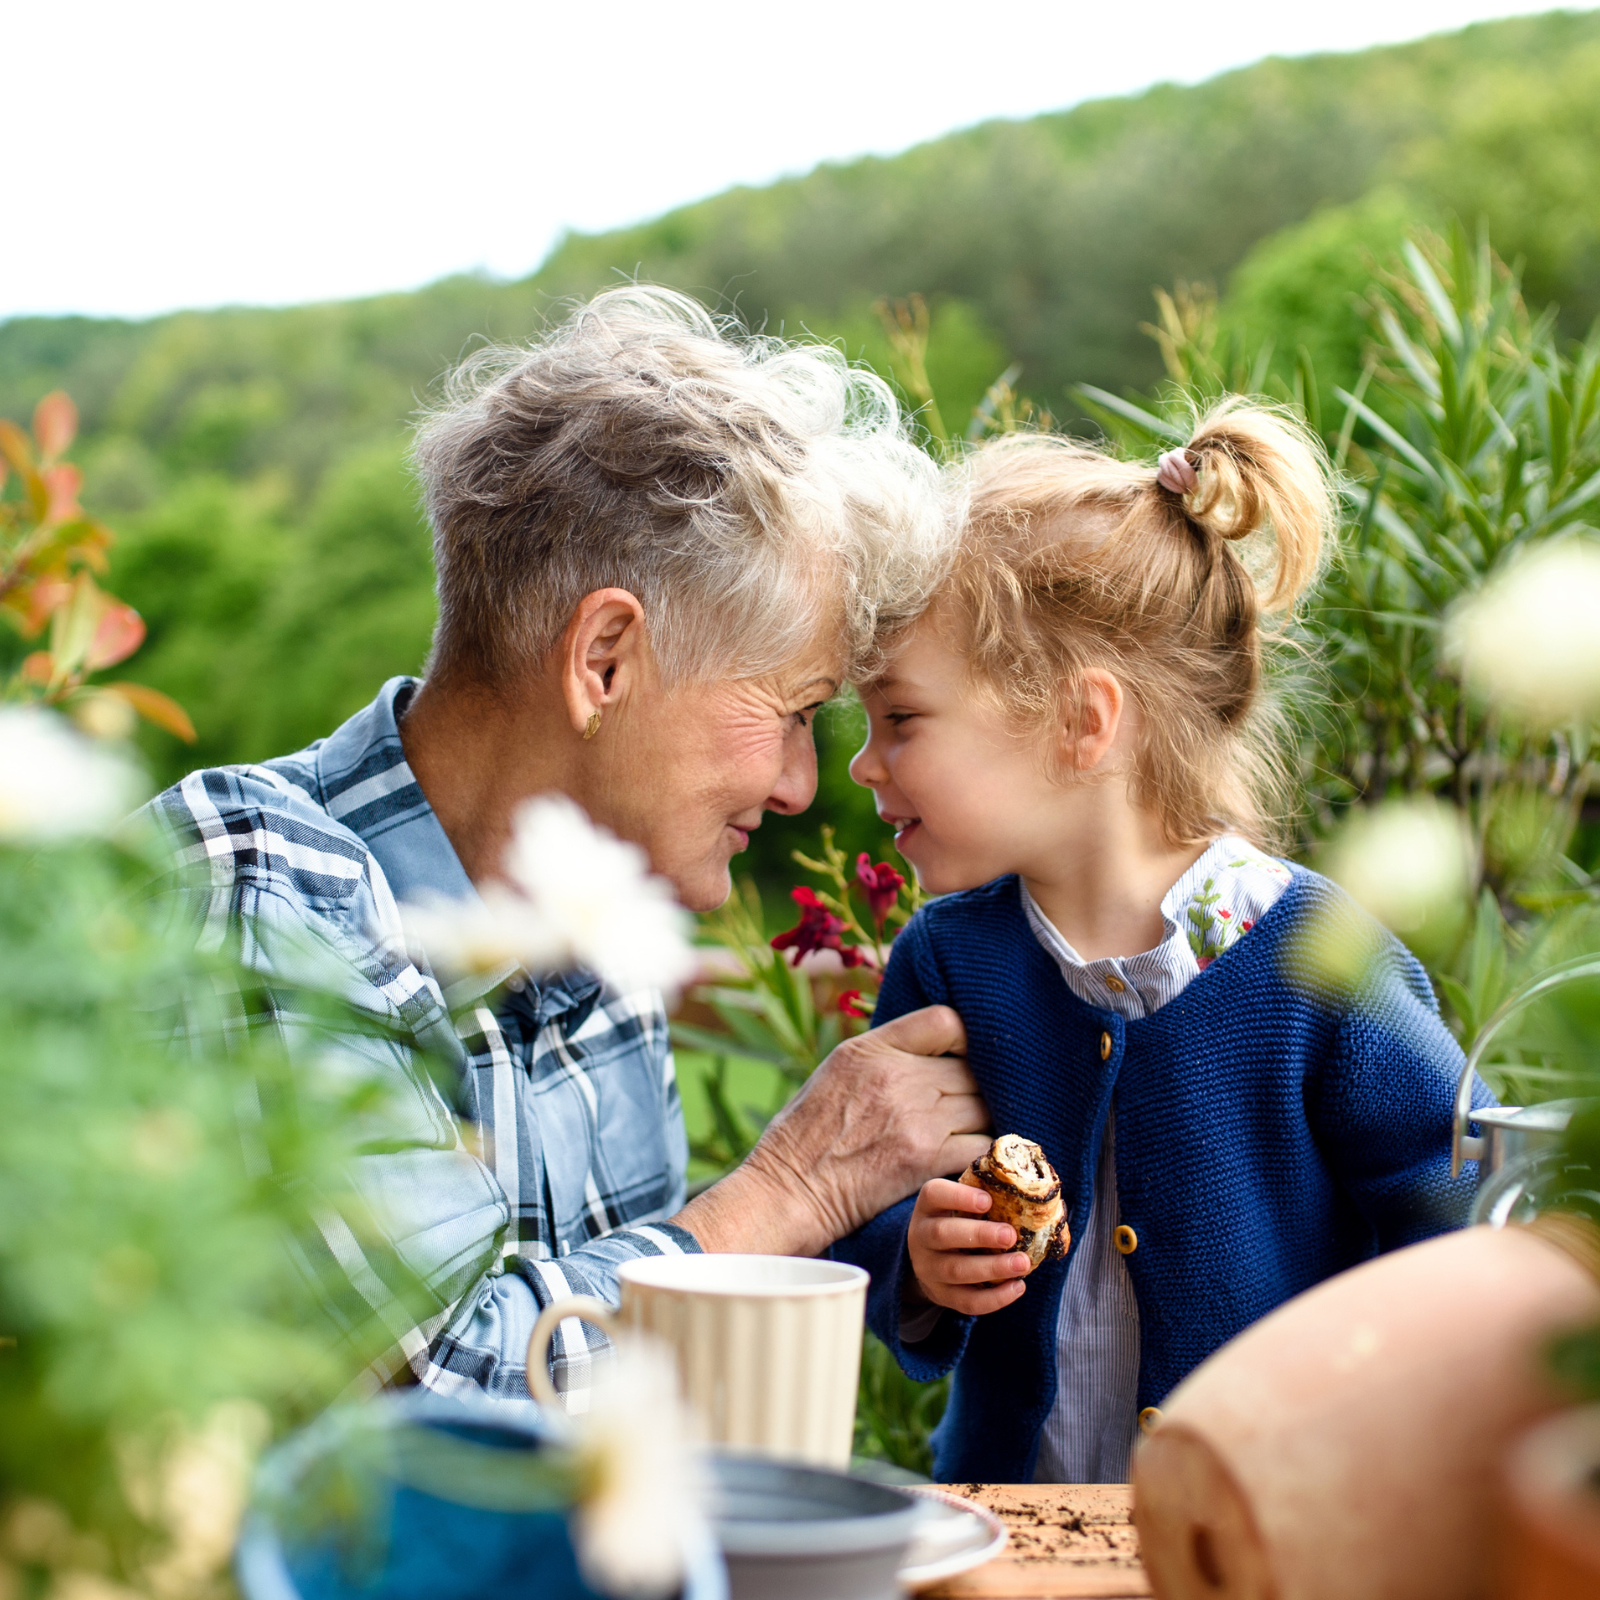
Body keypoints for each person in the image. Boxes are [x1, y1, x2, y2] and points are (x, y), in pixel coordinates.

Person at [145, 287, 991, 1401]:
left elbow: (624, 1371)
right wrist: (793, 1185)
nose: (799, 785)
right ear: (603, 661)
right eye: (791, 710)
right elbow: (440, 1401)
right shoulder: (258, 880)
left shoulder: (594, 921)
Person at [834, 401, 1494, 1483]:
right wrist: (913, 1256)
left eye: (900, 718)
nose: (865, 762)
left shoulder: (1315, 960)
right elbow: (860, 1202)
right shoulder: (947, 962)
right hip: (1011, 1533)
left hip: (1262, 1538)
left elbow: (1460, 1215)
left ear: (1083, 722)